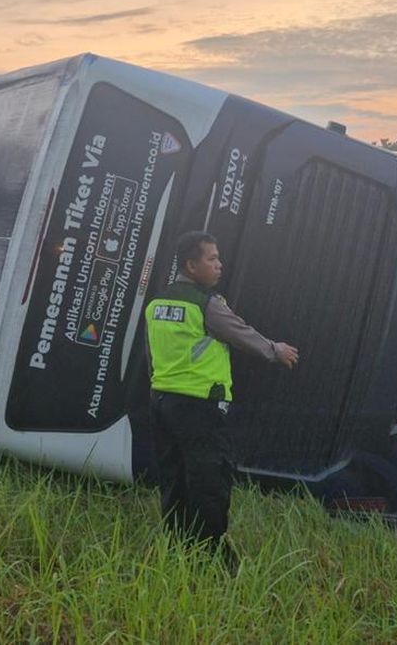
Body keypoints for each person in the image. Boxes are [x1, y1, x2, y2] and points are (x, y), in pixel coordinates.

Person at [143, 230, 300, 572]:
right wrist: (276, 351)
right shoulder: (206, 304)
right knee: (209, 481)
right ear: (191, 264)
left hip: (162, 404)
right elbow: (241, 333)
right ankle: (212, 557)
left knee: (174, 478)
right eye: (212, 258)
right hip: (199, 406)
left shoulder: (157, 304)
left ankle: (177, 545)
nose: (219, 264)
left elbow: (152, 357)